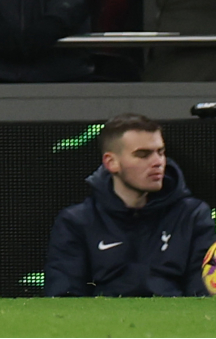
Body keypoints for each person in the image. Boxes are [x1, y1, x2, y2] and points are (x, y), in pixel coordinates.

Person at [45, 114, 215, 297]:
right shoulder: (76, 221)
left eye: (161, 152)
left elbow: (203, 291)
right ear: (111, 162)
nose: (157, 162)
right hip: (101, 323)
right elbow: (64, 295)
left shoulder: (193, 215)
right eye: (143, 155)